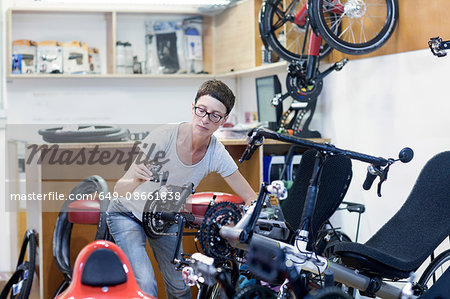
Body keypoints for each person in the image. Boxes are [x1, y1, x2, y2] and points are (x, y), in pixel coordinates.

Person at [106, 79, 257, 298]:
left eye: (215, 115)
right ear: (193, 107)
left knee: (180, 287)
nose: (205, 119)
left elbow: (250, 196)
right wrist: (135, 181)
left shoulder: (216, 152)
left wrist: (244, 222)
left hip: (164, 218)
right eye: (201, 110)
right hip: (127, 214)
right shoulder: (163, 138)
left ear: (223, 121)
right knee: (146, 285)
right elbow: (119, 190)